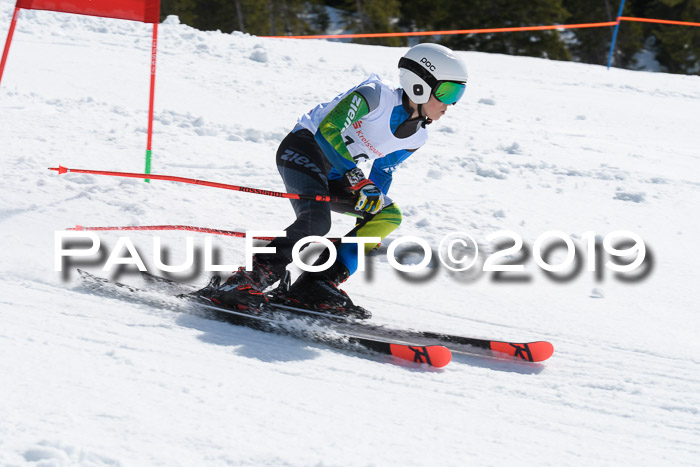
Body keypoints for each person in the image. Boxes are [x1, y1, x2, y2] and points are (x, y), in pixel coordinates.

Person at [202, 43, 468, 318]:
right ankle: (247, 279)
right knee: (316, 221)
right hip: (304, 149)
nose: (451, 103)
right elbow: (328, 130)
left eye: (457, 94)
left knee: (387, 216)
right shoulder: (376, 95)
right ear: (419, 85)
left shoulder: (417, 136)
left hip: (338, 173)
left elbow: (383, 171)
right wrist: (356, 178)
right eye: (447, 92)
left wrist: (365, 219)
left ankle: (316, 285)